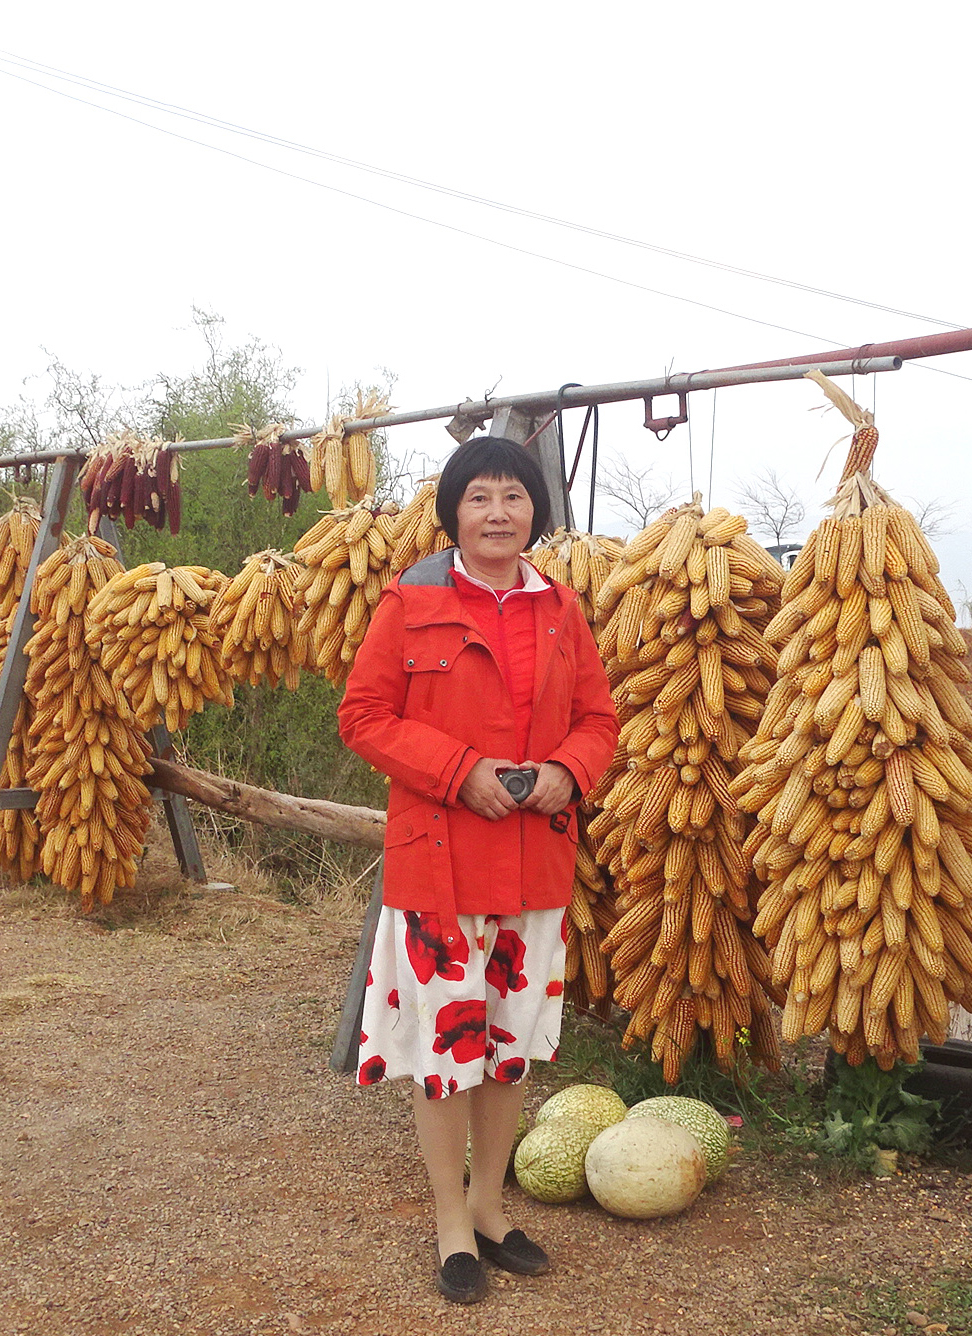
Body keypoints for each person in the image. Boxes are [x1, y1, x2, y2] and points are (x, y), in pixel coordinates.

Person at [337, 435, 618, 1305]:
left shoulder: (561, 608)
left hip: (536, 865)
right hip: (441, 867)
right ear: (453, 514)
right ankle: (450, 1222)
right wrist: (460, 772)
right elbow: (363, 716)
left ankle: (492, 1209)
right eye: (479, 499)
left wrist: (571, 770)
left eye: (514, 498)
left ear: (535, 511)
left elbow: (598, 717)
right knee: (446, 1053)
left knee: (507, 1050)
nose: (498, 514)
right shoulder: (411, 603)